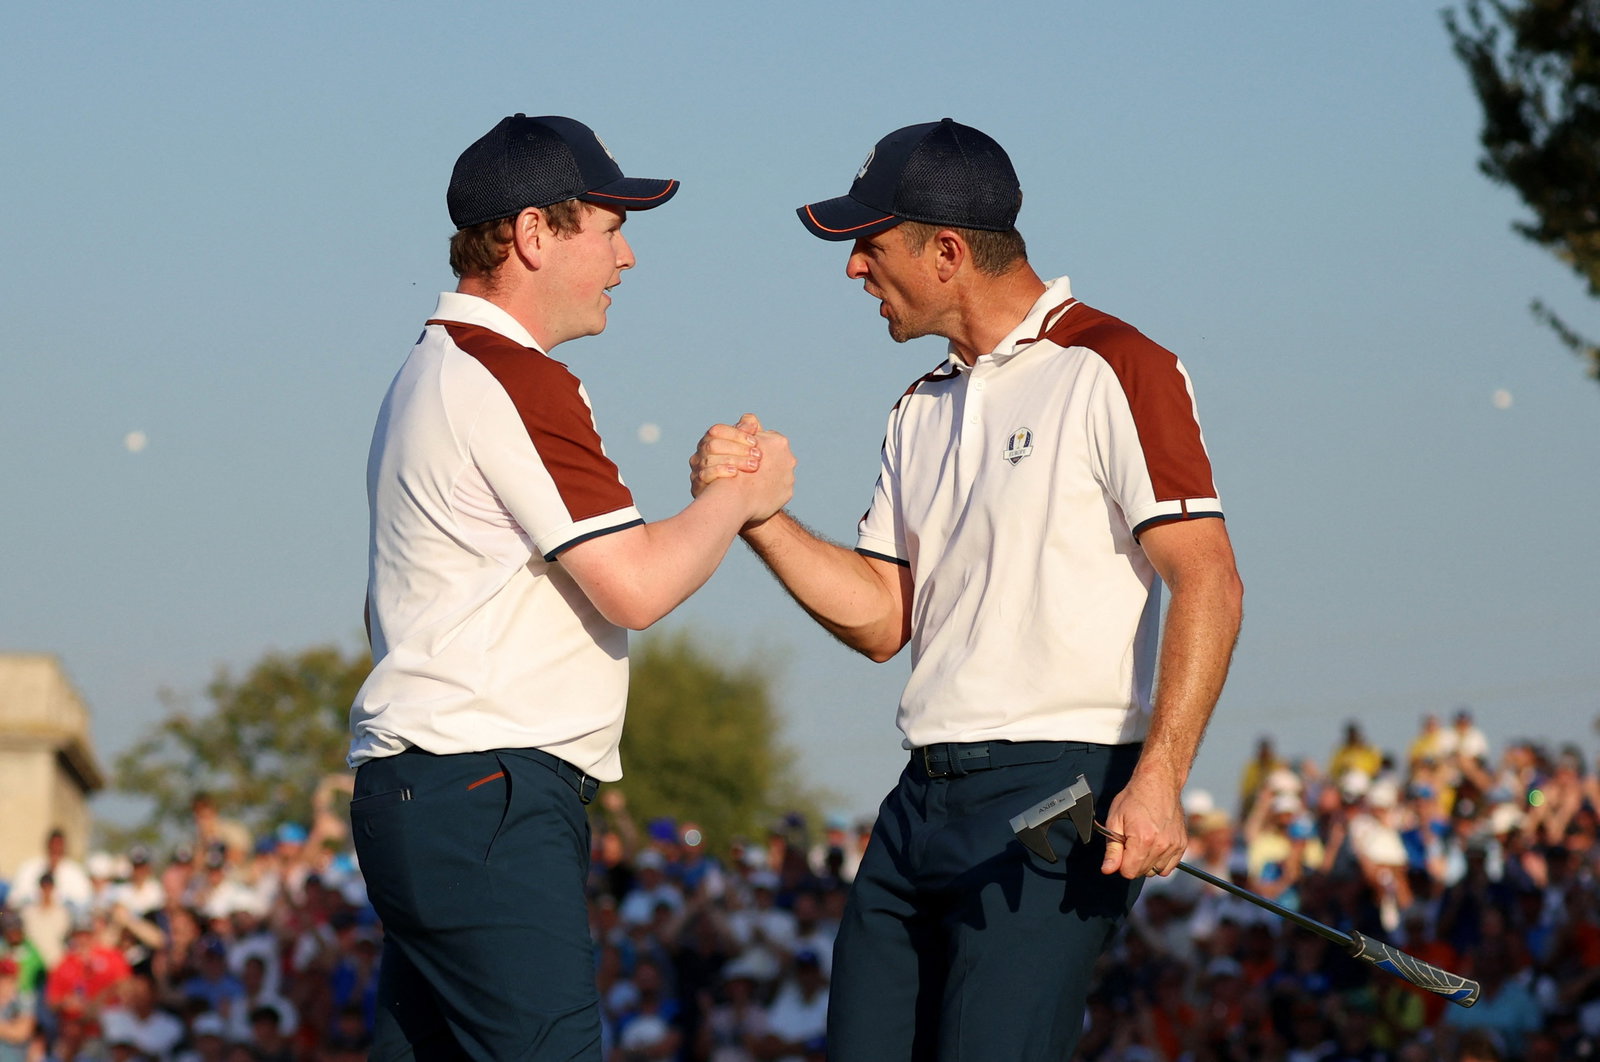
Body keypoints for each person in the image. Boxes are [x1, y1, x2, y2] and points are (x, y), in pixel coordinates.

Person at [692, 118, 1243, 1060]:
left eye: (870, 246)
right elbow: (881, 620)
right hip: (920, 800)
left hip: (1058, 792)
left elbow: (1209, 580)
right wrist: (754, 517)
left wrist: (1160, 779)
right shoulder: (920, 404)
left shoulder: (1116, 365)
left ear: (946, 252)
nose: (854, 270)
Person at [347, 113, 794, 1061]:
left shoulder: (424, 372)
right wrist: (739, 497)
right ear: (533, 234)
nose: (626, 257)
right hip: (488, 792)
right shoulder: (514, 375)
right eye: (608, 226)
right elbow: (632, 587)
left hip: (427, 789)